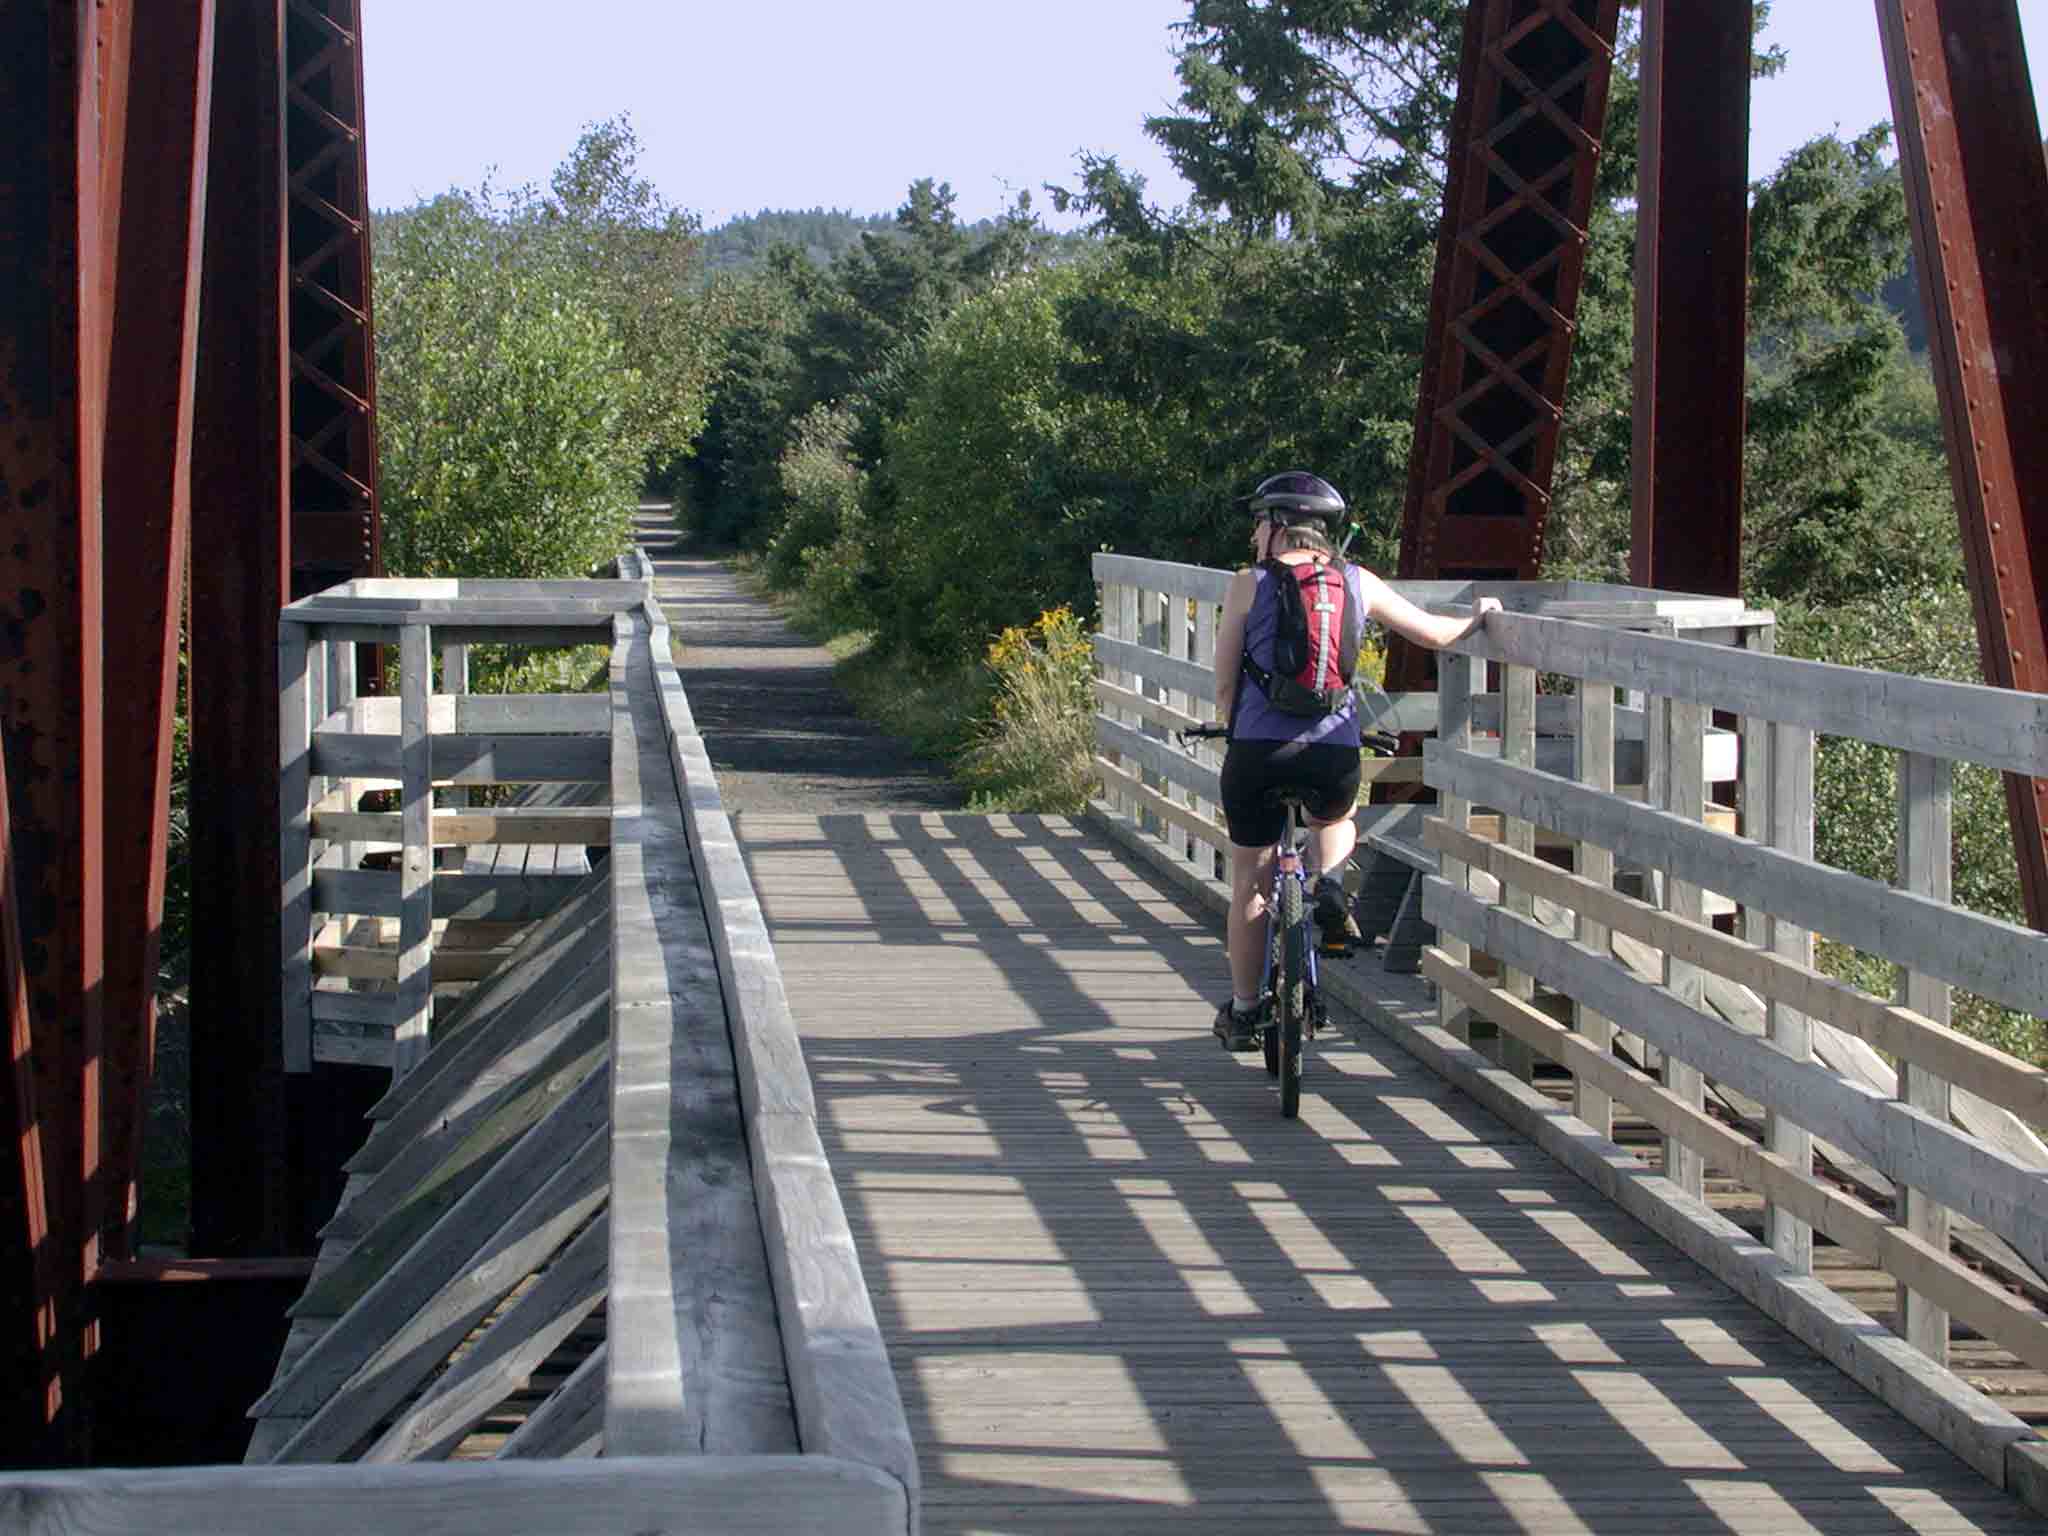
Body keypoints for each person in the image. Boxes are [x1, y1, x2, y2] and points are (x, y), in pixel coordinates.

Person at [1210, 471, 1502, 1050]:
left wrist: (1233, 728)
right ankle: (1332, 886)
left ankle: (1245, 1011)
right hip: (1332, 753)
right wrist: (1479, 614)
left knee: (1250, 876)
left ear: (1274, 527)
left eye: (1257, 525)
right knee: (1336, 819)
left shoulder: (1249, 584)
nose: (1252, 537)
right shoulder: (1357, 580)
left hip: (1259, 753)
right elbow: (1437, 636)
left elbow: (1224, 684)